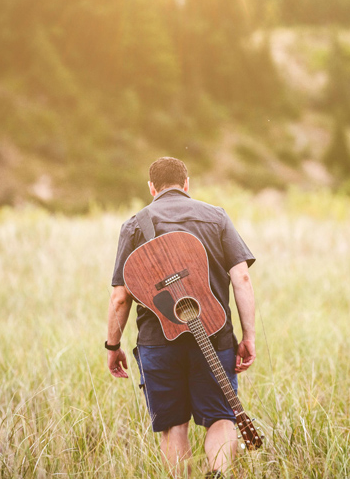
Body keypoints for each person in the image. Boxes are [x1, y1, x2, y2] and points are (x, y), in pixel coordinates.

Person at [106, 157, 256, 478]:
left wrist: (112, 346)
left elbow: (120, 296)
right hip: (215, 335)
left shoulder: (134, 226)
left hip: (158, 343)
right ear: (187, 184)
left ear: (151, 188)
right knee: (220, 418)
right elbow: (242, 278)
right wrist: (248, 337)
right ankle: (218, 473)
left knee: (174, 426)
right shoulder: (216, 218)